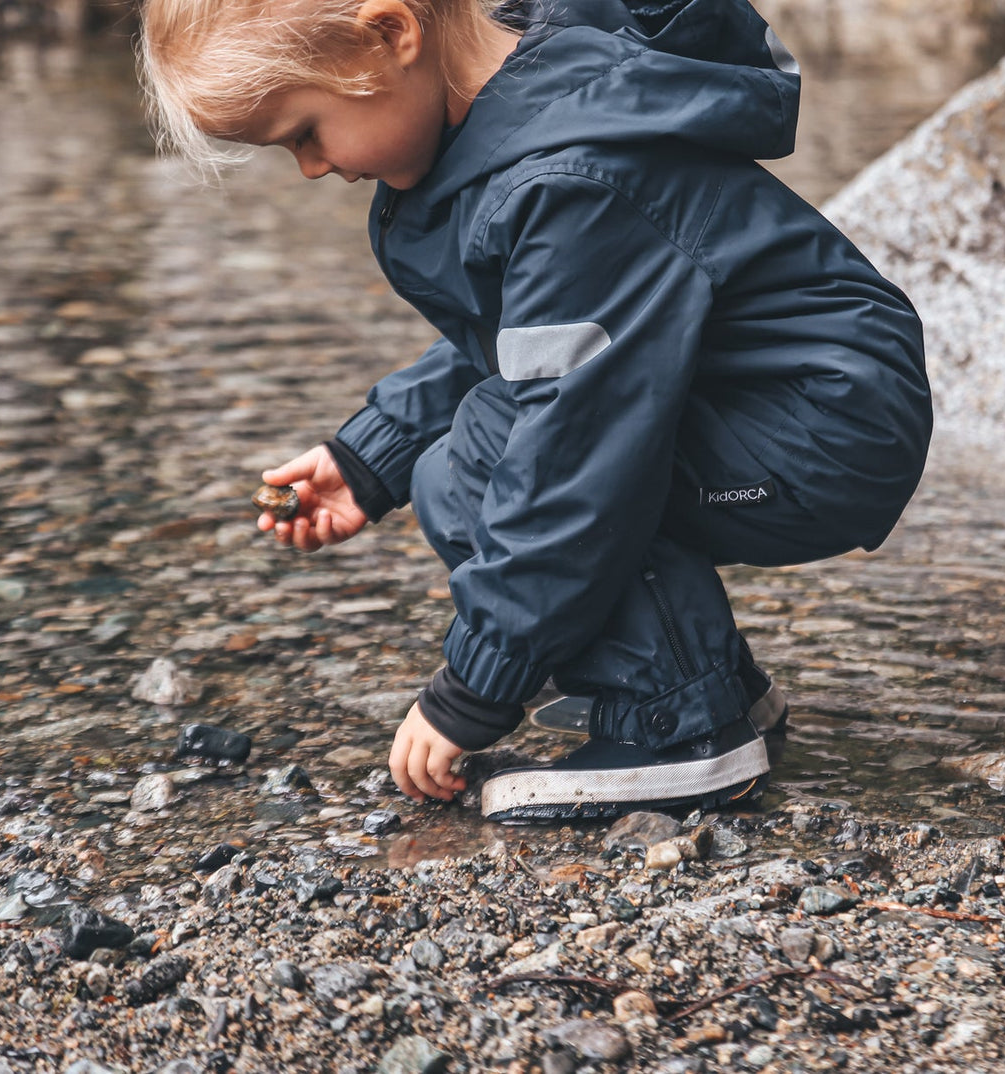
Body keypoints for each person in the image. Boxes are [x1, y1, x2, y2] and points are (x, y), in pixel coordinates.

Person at [138, 0, 933, 821]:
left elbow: (574, 459)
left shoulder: (572, 177)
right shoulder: (521, 124)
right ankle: (709, 682)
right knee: (455, 464)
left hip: (817, 430)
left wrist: (470, 692)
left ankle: (681, 733)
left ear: (390, 35)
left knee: (488, 454)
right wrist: (374, 454)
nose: (309, 167)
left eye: (305, 132)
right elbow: (533, 341)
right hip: (770, 405)